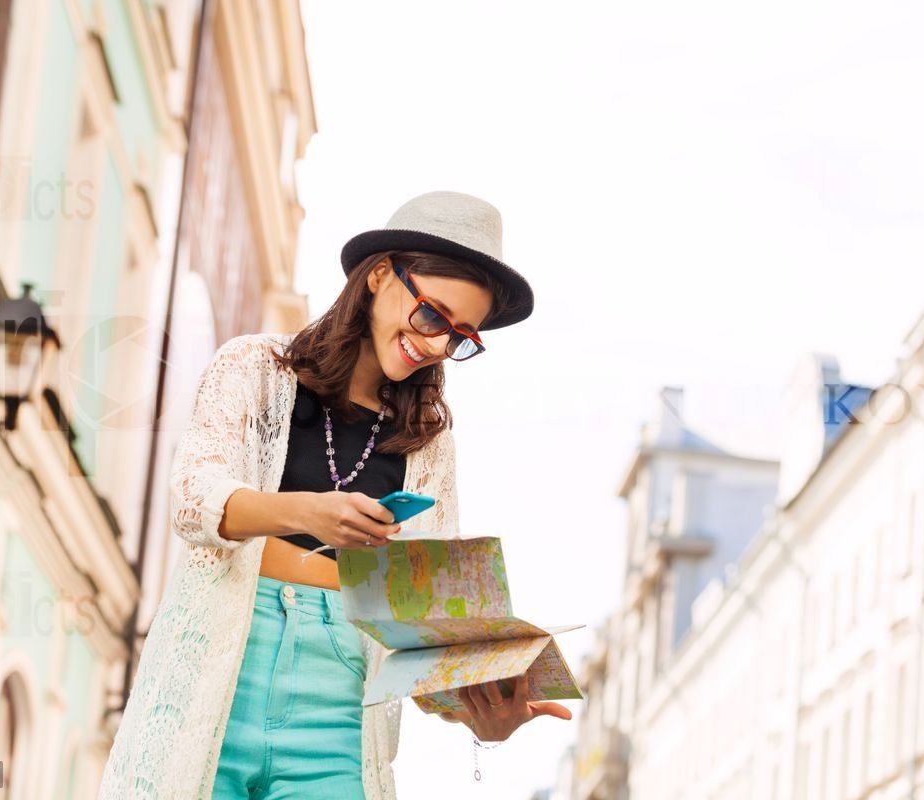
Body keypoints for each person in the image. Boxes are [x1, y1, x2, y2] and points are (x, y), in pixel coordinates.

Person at [98, 191, 572, 799]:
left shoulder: (429, 442)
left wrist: (479, 713)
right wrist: (307, 512)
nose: (436, 346)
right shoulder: (253, 367)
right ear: (379, 276)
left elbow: (420, 625)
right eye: (433, 316)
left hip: (340, 704)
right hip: (218, 669)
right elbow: (194, 501)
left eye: (460, 337)